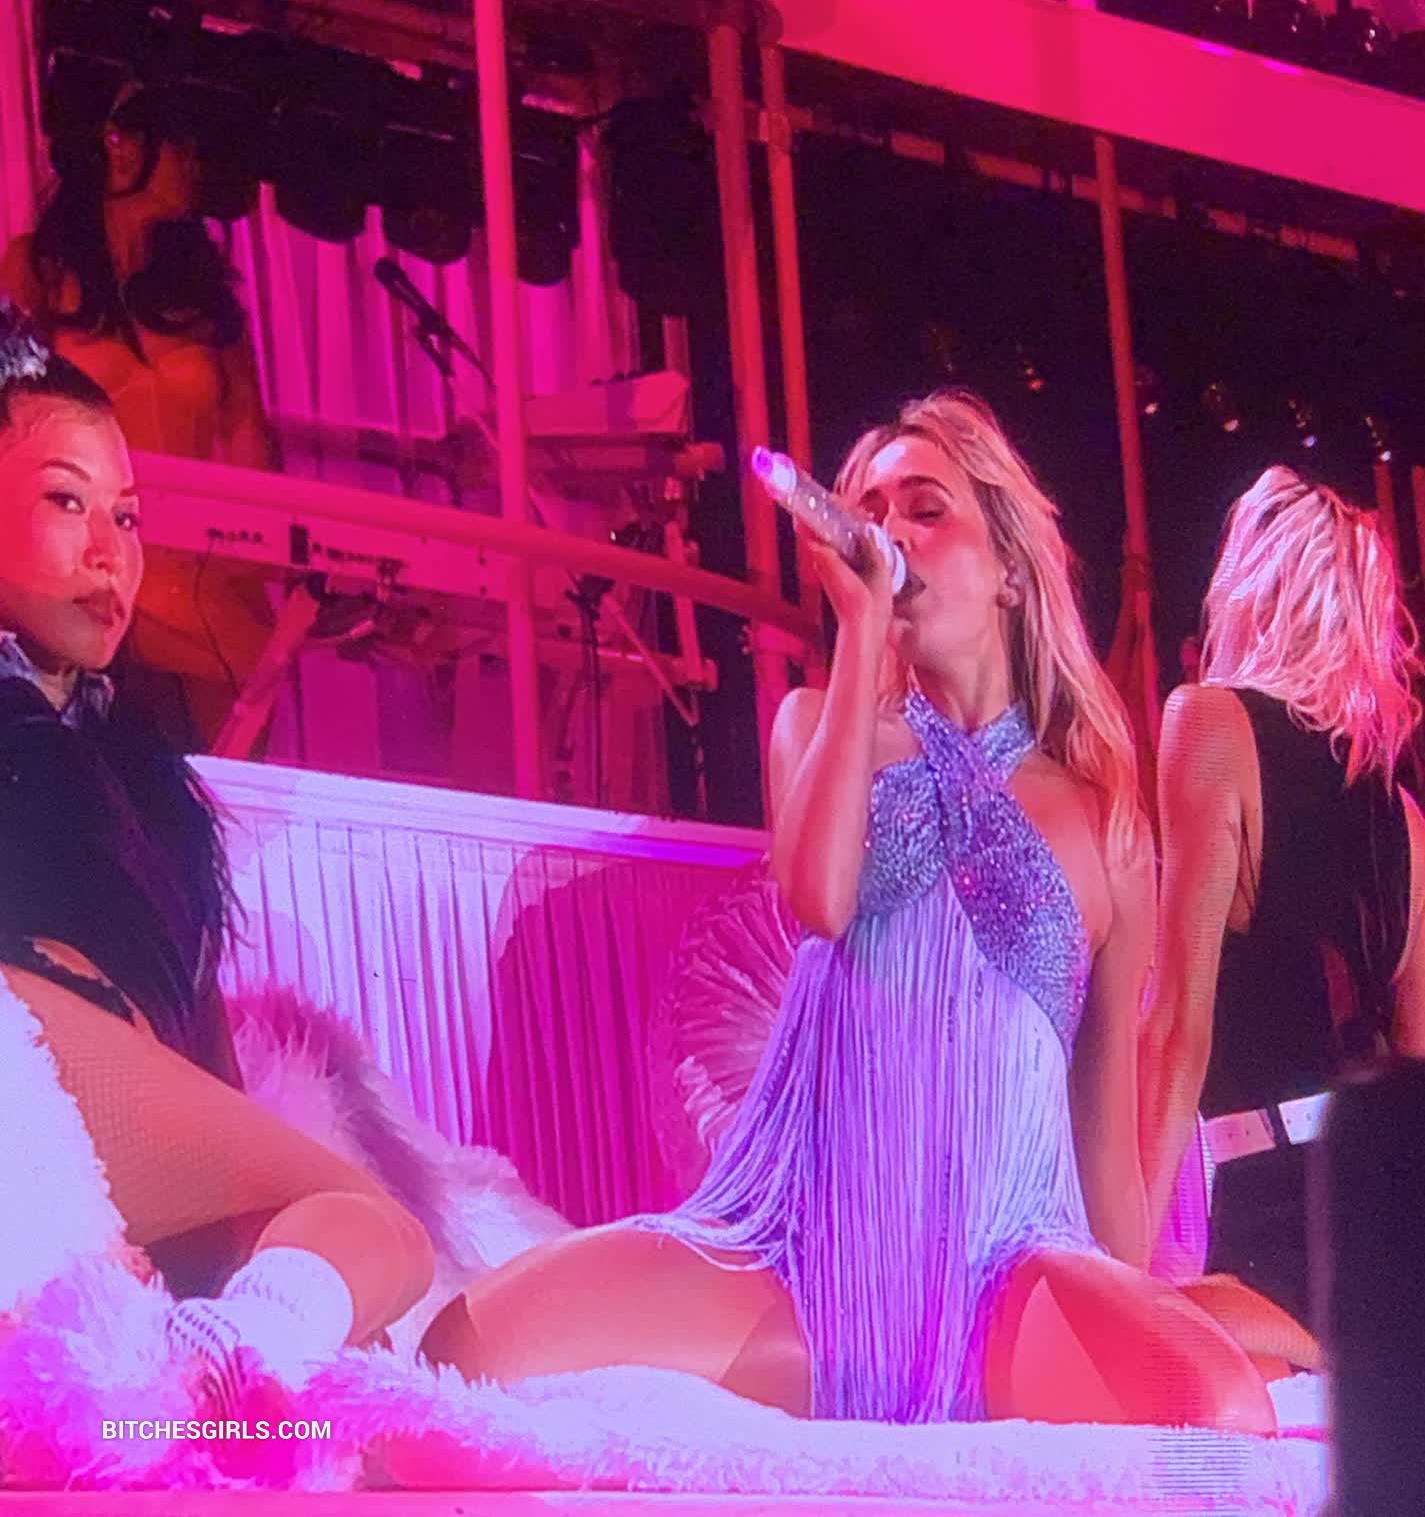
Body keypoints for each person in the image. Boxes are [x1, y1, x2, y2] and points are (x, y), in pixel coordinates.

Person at [423, 391, 1271, 1430]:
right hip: (797, 1255)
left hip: (1007, 1275)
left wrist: (1124, 1301)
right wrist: (862, 628)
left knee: (1216, 1406)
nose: (888, 533)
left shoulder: (1104, 818)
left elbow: (1102, 1126)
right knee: (463, 1350)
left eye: (925, 509)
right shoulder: (819, 727)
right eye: (867, 510)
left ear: (1009, 569)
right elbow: (819, 898)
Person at [0, 309, 431, 1405]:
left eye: (128, 515)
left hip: (129, 1130)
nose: (111, 550)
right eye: (66, 501)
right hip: (33, 1083)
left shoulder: (144, 776)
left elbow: (207, 1065)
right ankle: (224, 1368)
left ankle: (221, 1376)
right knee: (368, 1231)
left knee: (365, 1293)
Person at [1140, 466, 1425, 1369]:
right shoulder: (1405, 821)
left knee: (1121, 1340)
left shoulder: (1209, 725)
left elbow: (1176, 1029)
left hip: (1275, 1226)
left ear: (1253, 587)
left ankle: (1322, 1351)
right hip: (1380, 1233)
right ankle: (1346, 1353)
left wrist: (1120, 1268)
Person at [2, 82, 275, 749]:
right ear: (120, 145)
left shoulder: (206, 293)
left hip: (201, 578)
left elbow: (248, 430)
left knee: (223, 776)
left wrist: (263, 552)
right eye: (179, 145)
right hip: (79, 566)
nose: (194, 165)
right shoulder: (36, 270)